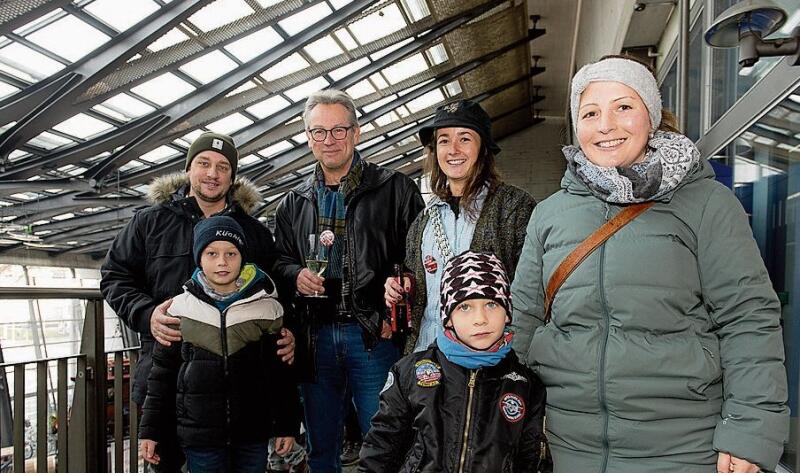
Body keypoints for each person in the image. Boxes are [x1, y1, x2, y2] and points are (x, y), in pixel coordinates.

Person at [510, 55, 789, 473]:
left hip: (681, 448)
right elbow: (524, 318)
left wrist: (750, 430)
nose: (605, 124)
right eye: (590, 112)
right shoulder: (550, 213)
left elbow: (747, 318)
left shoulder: (707, 204)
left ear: (652, 117)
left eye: (623, 106)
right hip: (565, 445)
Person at [100, 131, 295, 472]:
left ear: (232, 177)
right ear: (188, 168)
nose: (212, 174)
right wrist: (146, 315)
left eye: (222, 167)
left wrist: (288, 331)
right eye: (204, 163)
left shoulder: (254, 232)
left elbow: (275, 294)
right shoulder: (150, 222)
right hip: (164, 376)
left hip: (236, 394)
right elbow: (114, 276)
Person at [272, 89, 425, 473]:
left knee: (385, 440)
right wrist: (295, 276)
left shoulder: (395, 189)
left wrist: (398, 305)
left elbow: (418, 260)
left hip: (372, 333)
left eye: (339, 130)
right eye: (319, 132)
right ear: (307, 138)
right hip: (315, 336)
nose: (329, 140)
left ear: (356, 133)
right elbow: (279, 262)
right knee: (321, 445)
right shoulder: (293, 202)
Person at [360, 251, 546, 472]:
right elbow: (379, 451)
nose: (480, 319)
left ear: (507, 312)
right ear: (447, 316)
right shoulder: (408, 374)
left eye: (491, 304)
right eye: (465, 307)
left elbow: (532, 460)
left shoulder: (526, 386)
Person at [139, 216, 300, 472]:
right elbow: (161, 377)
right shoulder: (180, 309)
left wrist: (287, 425)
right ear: (199, 258)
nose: (222, 262)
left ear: (243, 257)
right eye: (212, 253)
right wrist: (150, 430)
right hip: (200, 436)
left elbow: (281, 375)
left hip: (253, 432)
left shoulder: (267, 308)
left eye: (231, 253)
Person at [383, 99, 536, 354]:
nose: (453, 149)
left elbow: (531, 292)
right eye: (443, 140)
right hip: (428, 358)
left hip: (488, 361)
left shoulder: (515, 208)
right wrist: (403, 286)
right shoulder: (424, 220)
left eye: (464, 138)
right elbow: (417, 278)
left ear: (483, 149)